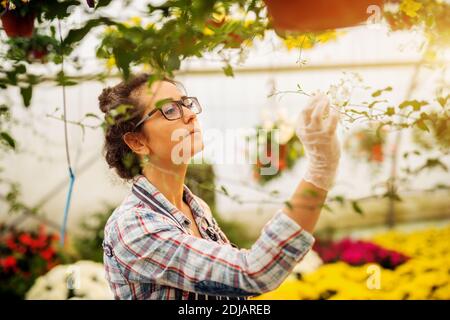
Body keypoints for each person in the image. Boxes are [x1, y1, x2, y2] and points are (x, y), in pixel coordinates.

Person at [99, 73, 341, 300]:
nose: (190, 115)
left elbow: (233, 287)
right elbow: (251, 273)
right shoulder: (134, 226)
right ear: (137, 141)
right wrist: (320, 170)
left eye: (185, 103)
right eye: (169, 109)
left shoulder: (196, 208)